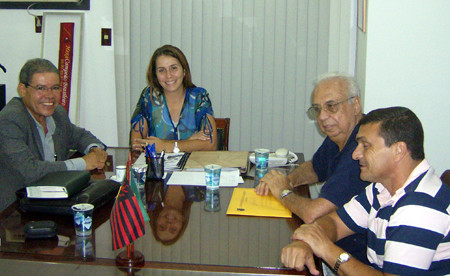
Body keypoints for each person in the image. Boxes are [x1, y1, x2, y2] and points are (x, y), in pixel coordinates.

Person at [281, 107, 450, 275]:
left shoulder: (421, 207)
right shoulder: (381, 188)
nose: (355, 154)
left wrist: (326, 249)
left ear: (398, 150)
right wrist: (306, 242)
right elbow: (335, 223)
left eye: (365, 146)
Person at [255, 73, 370, 264]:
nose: (323, 117)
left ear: (356, 104)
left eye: (331, 106)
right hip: (331, 243)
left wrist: (283, 192)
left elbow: (313, 213)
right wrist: (289, 181)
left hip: (352, 259)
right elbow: (315, 167)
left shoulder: (361, 151)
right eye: (317, 109)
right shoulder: (340, 134)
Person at [0, 58, 107, 211]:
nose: (49, 96)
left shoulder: (57, 113)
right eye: (41, 88)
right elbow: (30, 172)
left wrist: (95, 149)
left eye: (55, 88)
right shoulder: (10, 120)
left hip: (52, 201)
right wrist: (84, 163)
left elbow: (79, 135)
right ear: (22, 89)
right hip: (15, 211)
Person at [130, 44, 217, 153]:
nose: (169, 75)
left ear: (184, 71)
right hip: (159, 168)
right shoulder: (149, 97)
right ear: (155, 75)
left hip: (192, 166)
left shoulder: (199, 97)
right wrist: (189, 142)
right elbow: (136, 143)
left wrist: (166, 146)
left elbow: (211, 144)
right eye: (161, 70)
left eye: (174, 68)